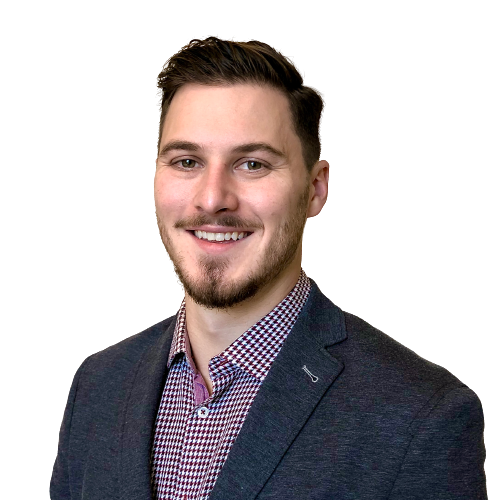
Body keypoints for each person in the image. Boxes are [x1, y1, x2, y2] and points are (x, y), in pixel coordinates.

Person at [50, 36, 487, 500]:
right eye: (187, 161)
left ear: (315, 189)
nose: (212, 199)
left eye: (252, 164)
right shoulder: (97, 385)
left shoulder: (422, 415)